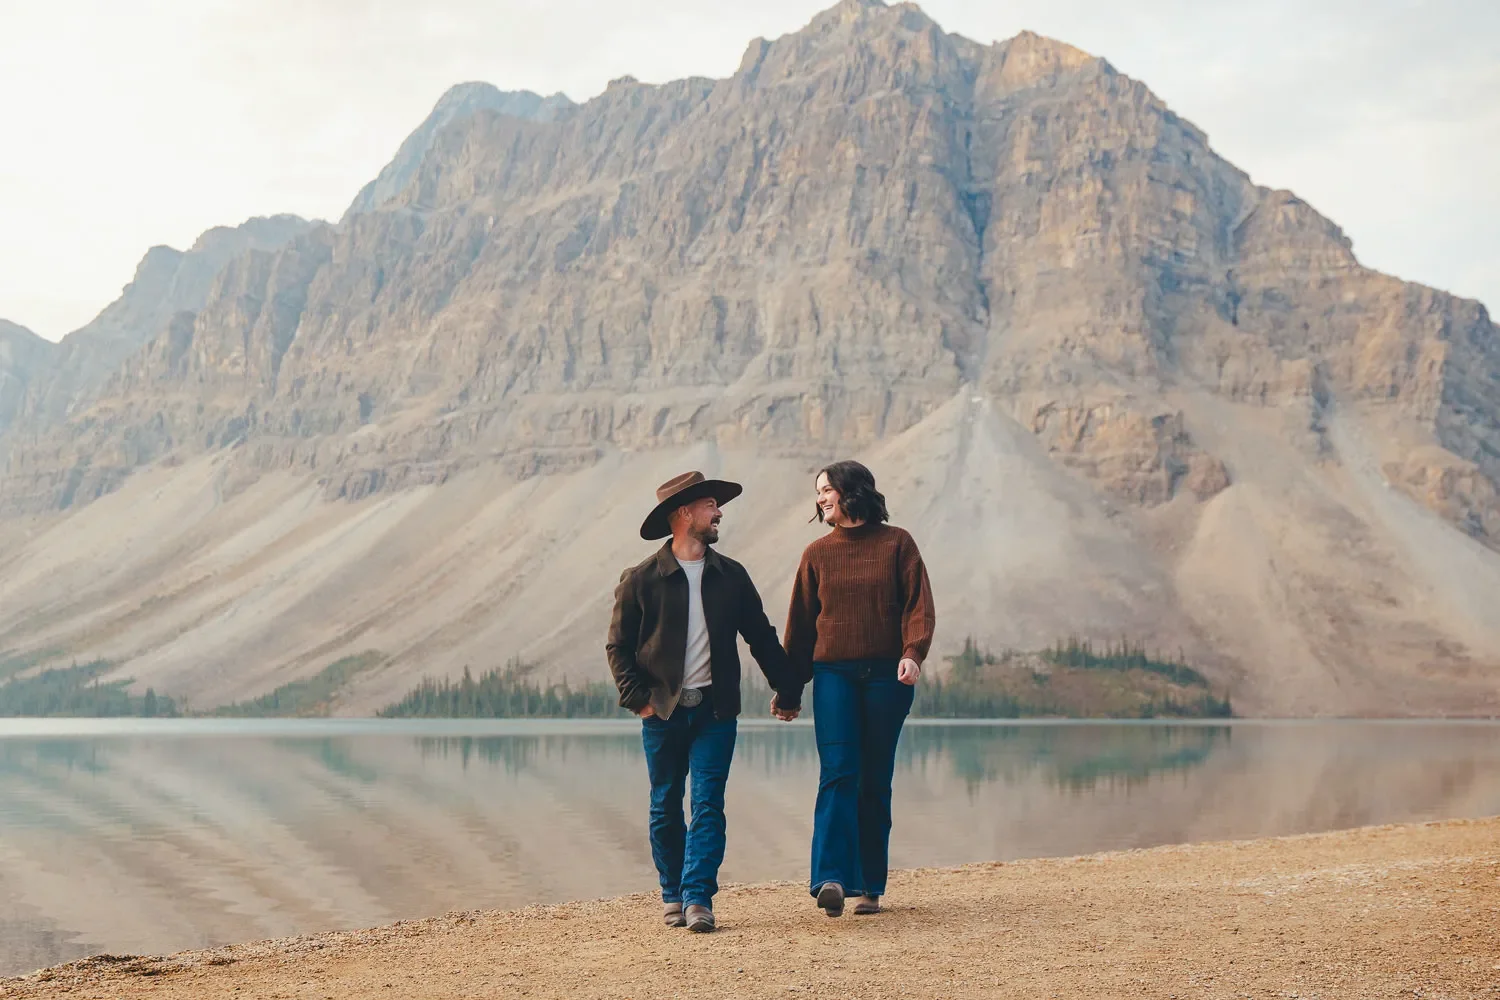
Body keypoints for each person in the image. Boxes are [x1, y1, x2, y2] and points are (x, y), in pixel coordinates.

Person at [606, 470, 804, 934]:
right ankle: (671, 894)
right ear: (684, 514)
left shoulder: (731, 576)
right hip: (663, 712)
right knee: (665, 805)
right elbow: (618, 647)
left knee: (708, 804)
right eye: (711, 505)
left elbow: (761, 638)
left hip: (716, 712)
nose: (719, 513)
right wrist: (640, 702)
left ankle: (698, 898)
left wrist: (789, 689)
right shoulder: (641, 580)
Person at [779, 460, 935, 918]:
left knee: (874, 780)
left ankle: (868, 885)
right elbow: (800, 631)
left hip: (889, 675)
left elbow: (918, 606)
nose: (820, 498)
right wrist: (789, 693)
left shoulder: (897, 543)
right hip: (833, 675)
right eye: (818, 492)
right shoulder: (816, 554)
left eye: (826, 489)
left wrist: (913, 652)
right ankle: (829, 878)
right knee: (839, 772)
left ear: (851, 491)